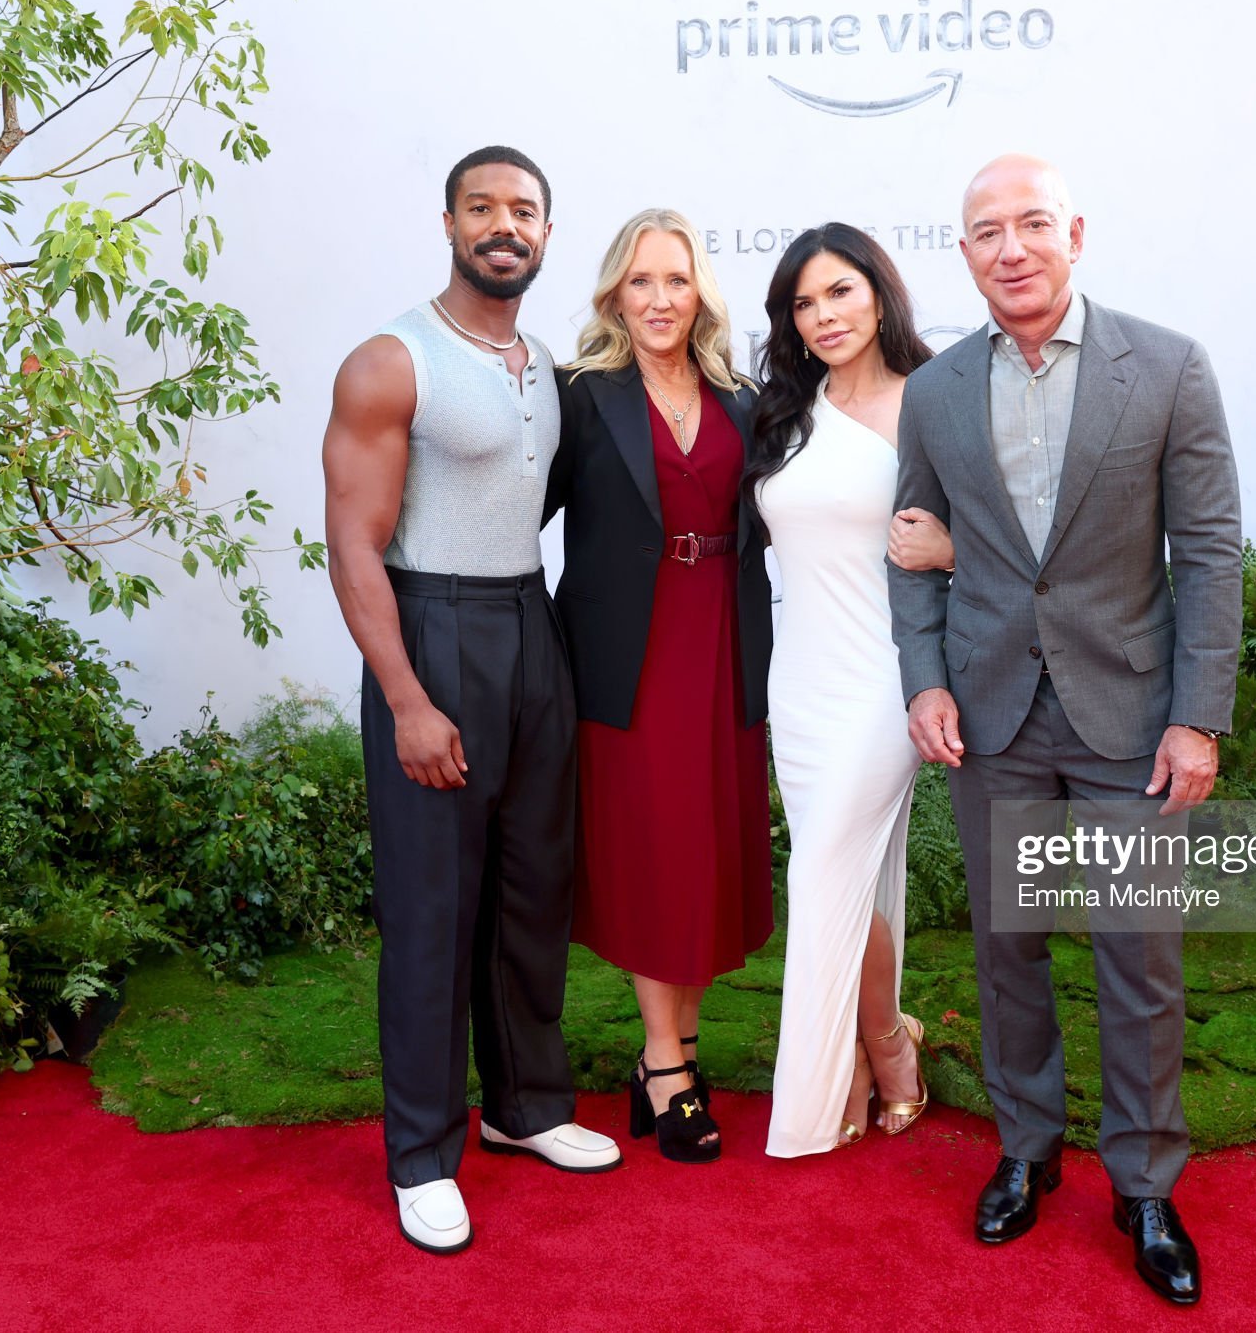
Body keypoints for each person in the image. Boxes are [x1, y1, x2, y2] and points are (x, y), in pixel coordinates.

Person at [886, 155, 1242, 1306]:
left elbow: (1209, 553)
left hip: (1128, 720)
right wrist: (924, 681)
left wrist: (1195, 717)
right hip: (991, 717)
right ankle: (1026, 1149)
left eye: (1031, 223)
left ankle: (1143, 1184)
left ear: (1072, 233)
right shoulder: (935, 392)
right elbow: (911, 549)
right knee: (1006, 950)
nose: (1011, 248)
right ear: (964, 254)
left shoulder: (1168, 366)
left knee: (1137, 957)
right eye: (986, 231)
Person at [323, 145, 621, 1257]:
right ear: (449, 224)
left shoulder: (547, 367)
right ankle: (420, 1154)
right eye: (482, 207)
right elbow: (353, 545)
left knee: (532, 889)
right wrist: (406, 698)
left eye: (524, 210)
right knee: (432, 909)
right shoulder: (390, 361)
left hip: (529, 624)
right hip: (433, 628)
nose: (505, 225)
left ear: (545, 231)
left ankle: (525, 1106)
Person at [543, 209, 774, 1164]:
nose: (659, 299)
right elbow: (515, 508)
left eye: (676, 279)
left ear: (700, 293)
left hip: (725, 644)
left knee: (709, 852)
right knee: (654, 855)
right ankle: (668, 1064)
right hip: (626, 656)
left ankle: (671, 1055)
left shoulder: (743, 399)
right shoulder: (578, 396)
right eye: (641, 281)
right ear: (614, 295)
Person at [747, 224, 953, 1156]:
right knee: (842, 871)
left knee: (823, 867)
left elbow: (1013, 537)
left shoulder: (933, 399)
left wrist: (953, 549)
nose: (823, 315)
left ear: (879, 293)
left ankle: (864, 1059)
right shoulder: (785, 411)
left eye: (840, 292)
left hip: (887, 677)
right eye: (804, 303)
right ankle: (886, 1039)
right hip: (800, 678)